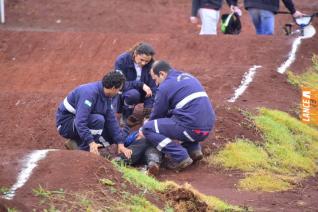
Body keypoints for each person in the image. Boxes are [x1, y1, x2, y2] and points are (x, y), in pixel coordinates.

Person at [142, 61, 216, 170]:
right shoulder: (188, 76)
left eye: (155, 79)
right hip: (206, 128)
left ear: (162, 74)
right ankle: (193, 150)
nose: (156, 83)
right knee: (179, 115)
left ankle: (181, 156)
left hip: (191, 127)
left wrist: (145, 126)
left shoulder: (165, 87)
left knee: (148, 128)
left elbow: (157, 114)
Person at [56, 71, 132, 158]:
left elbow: (111, 120)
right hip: (66, 124)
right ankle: (85, 152)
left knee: (113, 135)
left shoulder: (107, 95)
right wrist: (91, 143)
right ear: (114, 88)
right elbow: (80, 121)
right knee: (98, 120)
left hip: (79, 122)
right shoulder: (89, 93)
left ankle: (77, 143)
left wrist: (120, 143)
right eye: (119, 89)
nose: (119, 92)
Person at [114, 42, 157, 126]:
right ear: (135, 53)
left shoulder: (152, 65)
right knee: (133, 94)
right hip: (126, 92)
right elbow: (120, 84)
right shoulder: (122, 60)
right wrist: (141, 85)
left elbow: (153, 87)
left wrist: (148, 112)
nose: (144, 63)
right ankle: (126, 115)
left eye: (147, 61)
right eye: (141, 60)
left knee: (159, 90)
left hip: (144, 93)